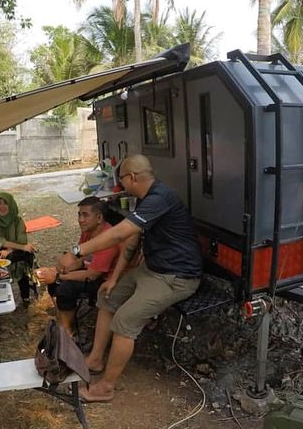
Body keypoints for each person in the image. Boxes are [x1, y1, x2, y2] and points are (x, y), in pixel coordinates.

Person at [57, 154, 202, 403]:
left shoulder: (159, 198)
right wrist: (113, 278)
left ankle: (106, 388)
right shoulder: (146, 199)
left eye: (121, 179)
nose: (119, 185)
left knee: (125, 321)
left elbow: (118, 234)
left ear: (132, 177)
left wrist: (77, 252)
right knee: (106, 295)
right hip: (152, 270)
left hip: (177, 277)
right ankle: (95, 359)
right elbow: (132, 239)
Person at [37, 197, 120, 337]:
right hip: (91, 272)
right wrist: (57, 270)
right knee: (55, 282)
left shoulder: (108, 237)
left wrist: (58, 276)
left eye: (85, 215)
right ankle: (65, 320)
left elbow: (93, 275)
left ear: (99, 217)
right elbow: (81, 259)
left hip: (106, 281)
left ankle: (68, 333)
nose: (81, 219)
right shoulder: (88, 230)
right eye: (79, 214)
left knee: (64, 287)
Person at [0, 192, 37, 306]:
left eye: (5, 203)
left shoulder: (18, 221)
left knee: (22, 261)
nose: (2, 207)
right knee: (1, 261)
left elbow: (22, 239)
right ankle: (1, 299)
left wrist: (10, 250)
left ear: (11, 205)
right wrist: (22, 247)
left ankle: (25, 297)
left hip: (13, 252)